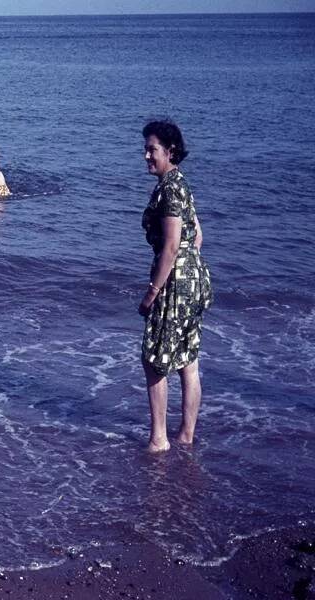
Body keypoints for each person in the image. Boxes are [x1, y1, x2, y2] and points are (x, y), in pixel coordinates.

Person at [138, 120, 213, 452]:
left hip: (174, 284)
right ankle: (186, 435)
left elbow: (169, 247)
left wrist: (152, 292)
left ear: (170, 151)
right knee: (187, 359)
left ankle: (159, 440)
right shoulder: (182, 184)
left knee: (154, 359)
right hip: (195, 279)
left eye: (152, 149)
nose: (146, 155)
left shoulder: (169, 188)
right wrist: (187, 265)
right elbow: (197, 236)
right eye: (146, 149)